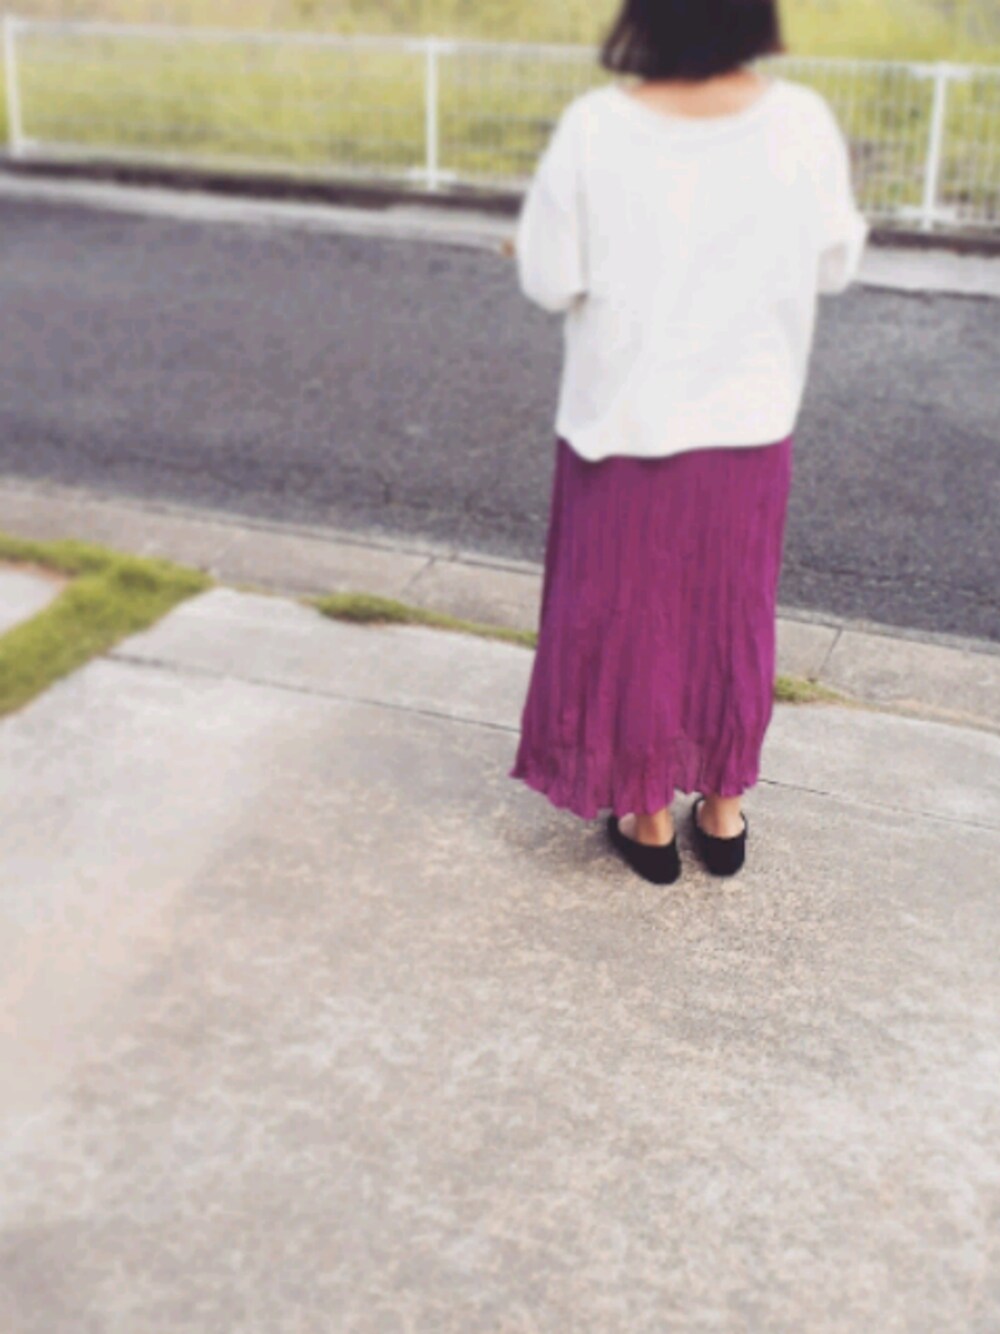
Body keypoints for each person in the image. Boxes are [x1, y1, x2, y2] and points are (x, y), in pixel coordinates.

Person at [507, 0, 869, 885]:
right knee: (730, 615)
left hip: (624, 426)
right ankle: (724, 805)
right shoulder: (801, 122)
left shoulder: (596, 128)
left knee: (629, 622)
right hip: (748, 422)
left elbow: (549, 279)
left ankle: (646, 816)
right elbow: (835, 263)